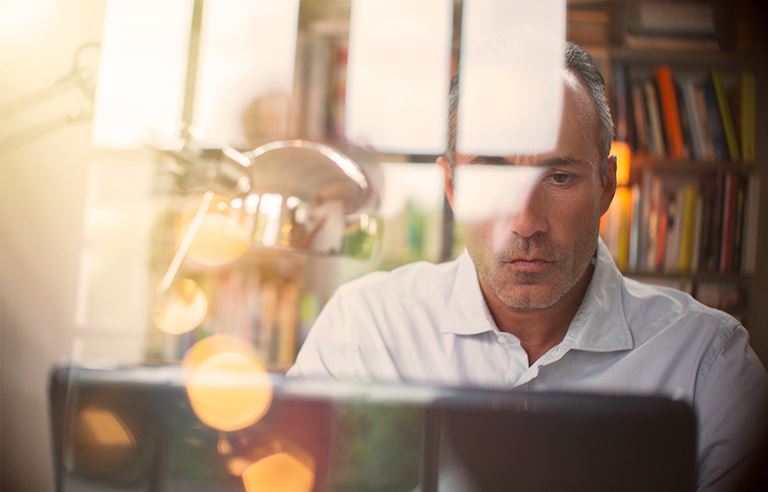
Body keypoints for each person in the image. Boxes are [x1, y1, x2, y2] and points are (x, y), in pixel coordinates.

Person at [288, 42, 768, 491]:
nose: (525, 222)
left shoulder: (708, 362)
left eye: (559, 178)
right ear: (452, 188)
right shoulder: (365, 330)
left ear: (605, 186)